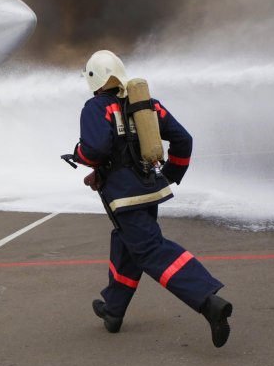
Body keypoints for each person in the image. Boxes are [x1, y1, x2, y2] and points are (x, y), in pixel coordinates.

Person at [71, 50, 232, 348]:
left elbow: (94, 149)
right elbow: (184, 140)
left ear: (94, 79)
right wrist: (170, 174)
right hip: (149, 191)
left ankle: (209, 302)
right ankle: (113, 311)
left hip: (123, 198)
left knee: (150, 250)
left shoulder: (96, 107)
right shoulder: (147, 105)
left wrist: (79, 155)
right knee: (128, 245)